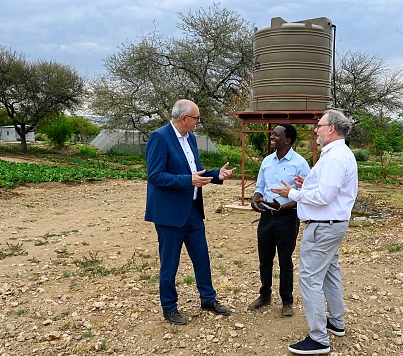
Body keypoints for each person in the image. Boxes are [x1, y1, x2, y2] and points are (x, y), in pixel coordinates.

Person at [271, 109, 358, 355]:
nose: (315, 130)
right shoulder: (339, 154)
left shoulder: (333, 157)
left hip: (323, 227)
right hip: (333, 224)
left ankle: (319, 338)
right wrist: (305, 183)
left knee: (310, 278)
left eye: (318, 126)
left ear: (331, 129)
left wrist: (293, 194)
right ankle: (336, 322)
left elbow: (323, 196)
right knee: (330, 272)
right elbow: (329, 188)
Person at [145, 99, 235, 325]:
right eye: (196, 118)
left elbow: (194, 172)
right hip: (169, 213)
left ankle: (208, 298)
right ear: (184, 119)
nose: (198, 122)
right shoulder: (160, 137)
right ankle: (169, 307)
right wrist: (189, 180)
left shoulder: (191, 138)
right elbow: (155, 175)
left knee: (201, 257)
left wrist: (216, 175)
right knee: (170, 262)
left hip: (192, 210)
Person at [248, 124, 310, 317]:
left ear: (287, 140)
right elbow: (260, 186)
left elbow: (304, 195)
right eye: (272, 133)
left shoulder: (300, 164)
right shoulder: (267, 161)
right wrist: (255, 199)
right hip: (266, 217)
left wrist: (282, 207)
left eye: (276, 134)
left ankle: (287, 301)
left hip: (287, 218)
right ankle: (265, 295)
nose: (272, 136)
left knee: (285, 261)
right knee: (264, 260)